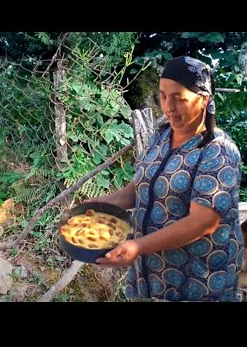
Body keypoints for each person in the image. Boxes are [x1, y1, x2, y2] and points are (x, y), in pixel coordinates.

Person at [84, 55, 244, 302]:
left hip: (199, 281)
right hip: (151, 277)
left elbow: (202, 223)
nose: (168, 106)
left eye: (179, 98)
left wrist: (138, 246)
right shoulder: (160, 135)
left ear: (203, 100)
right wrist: (95, 206)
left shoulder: (218, 151)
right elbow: (140, 188)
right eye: (163, 95)